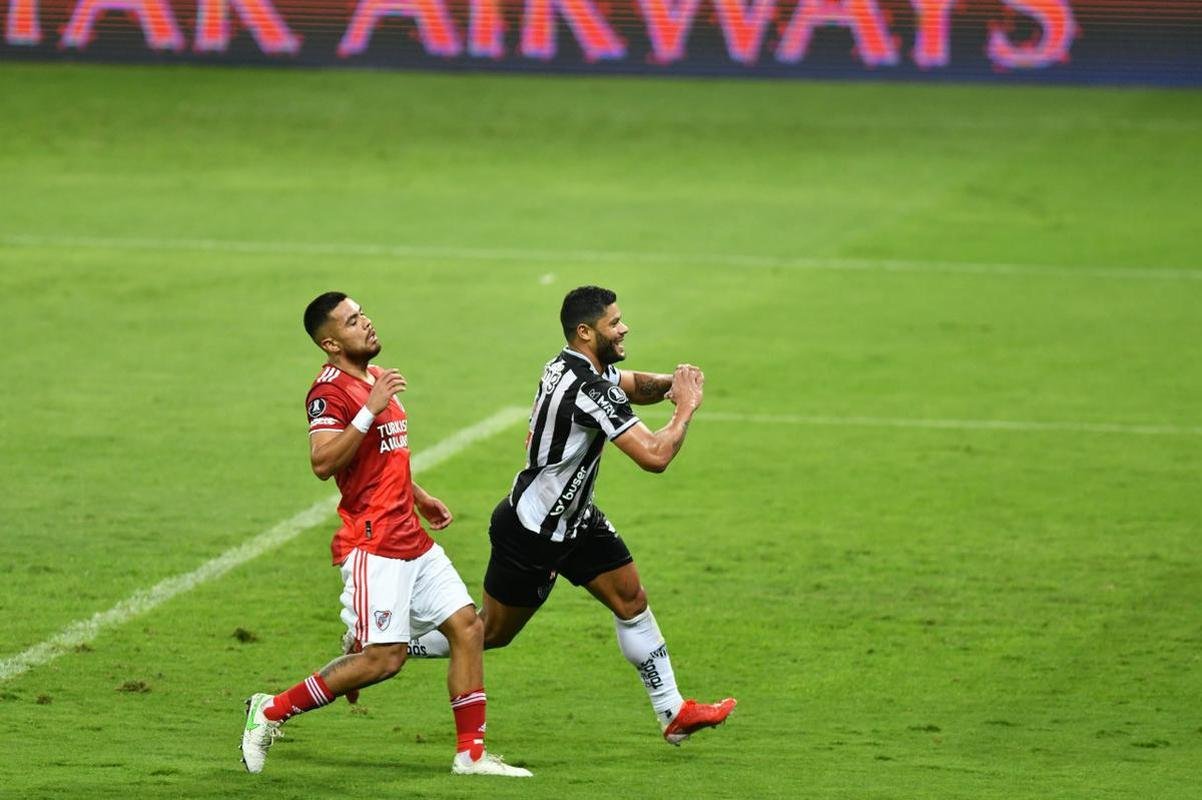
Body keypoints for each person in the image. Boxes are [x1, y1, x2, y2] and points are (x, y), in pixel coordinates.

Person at [409, 285, 736, 745]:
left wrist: (670, 383)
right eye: (614, 323)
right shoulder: (587, 387)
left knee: (631, 600)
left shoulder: (572, 364)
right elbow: (654, 456)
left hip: (576, 521)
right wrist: (685, 406)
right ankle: (390, 646)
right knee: (490, 632)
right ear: (585, 332)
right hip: (532, 532)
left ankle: (673, 712)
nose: (624, 328)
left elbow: (629, 385)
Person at [239, 292, 531, 778]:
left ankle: (471, 755)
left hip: (410, 536)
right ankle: (269, 710)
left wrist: (418, 494)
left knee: (468, 629)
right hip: (373, 544)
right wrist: (368, 410)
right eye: (353, 321)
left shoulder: (376, 378)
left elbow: (381, 457)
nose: (367, 323)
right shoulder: (328, 392)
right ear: (330, 342)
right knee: (384, 660)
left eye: (364, 313)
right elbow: (322, 462)